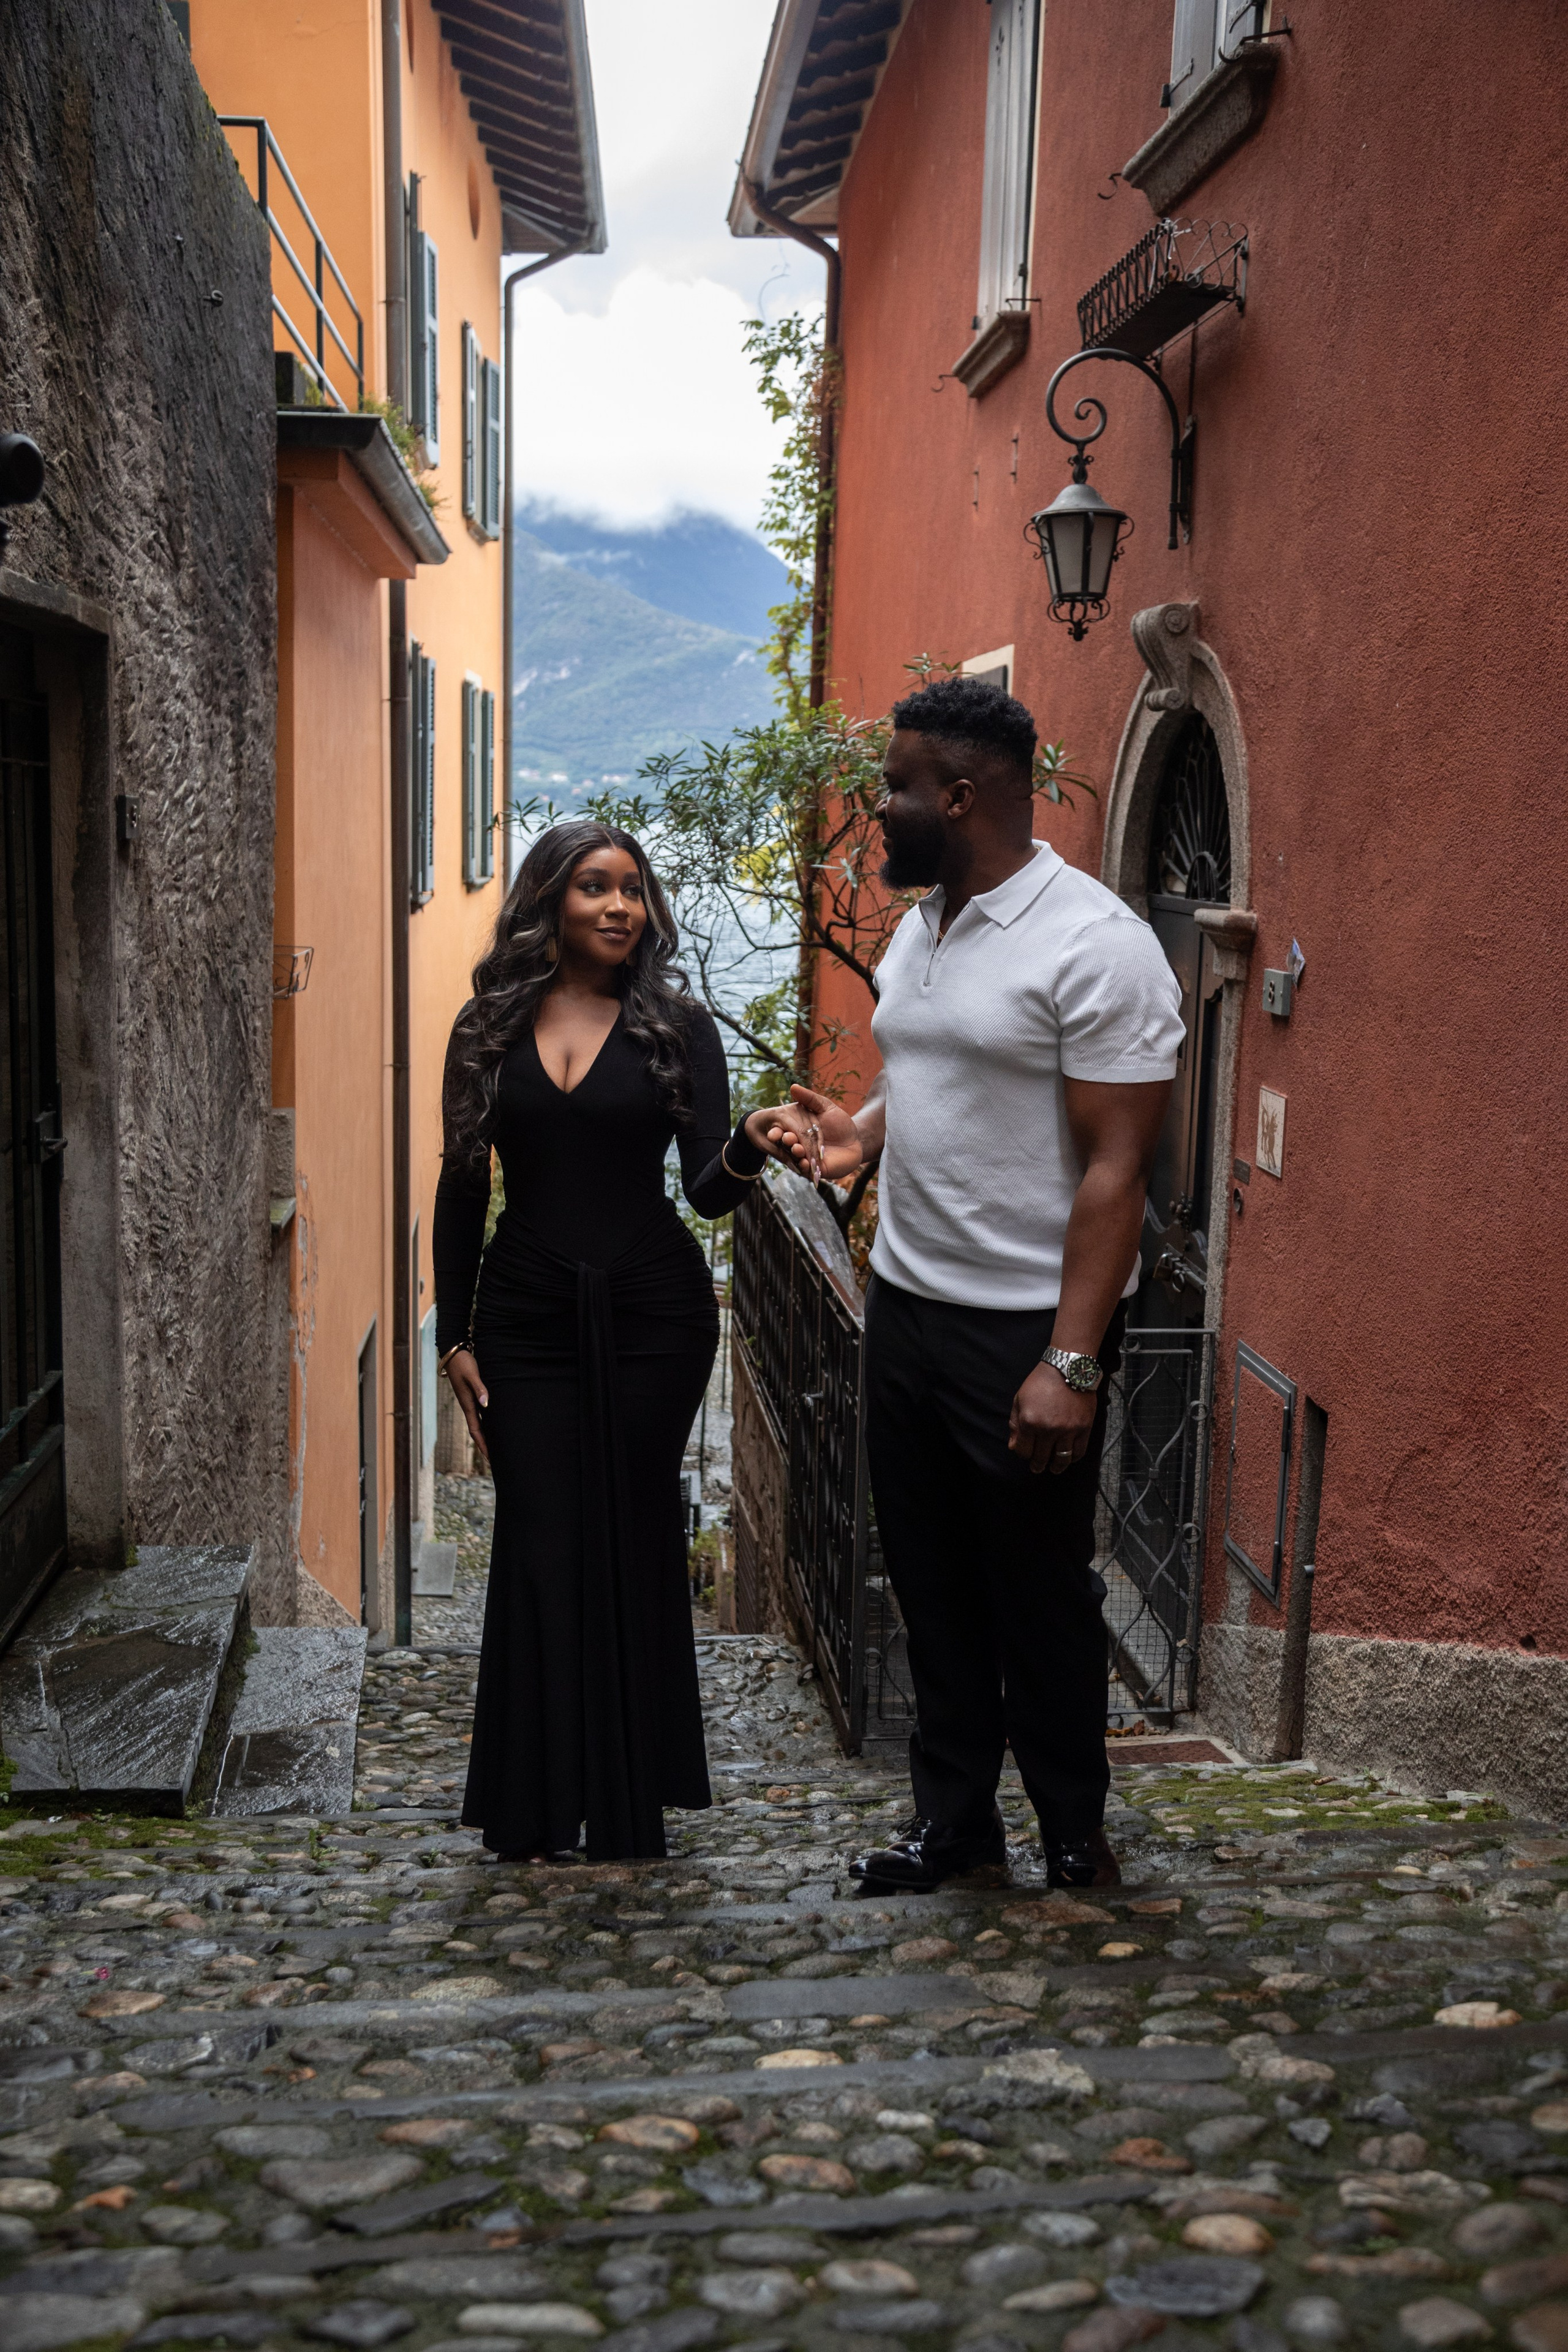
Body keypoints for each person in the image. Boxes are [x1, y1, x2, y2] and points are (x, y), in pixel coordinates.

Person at [761, 676, 1184, 1892]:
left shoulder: (1094, 946)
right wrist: (858, 1138)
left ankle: (1069, 1832)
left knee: (1038, 1598)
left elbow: (1117, 1169)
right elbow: (931, 1068)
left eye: (893, 788)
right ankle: (952, 1827)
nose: (876, 809)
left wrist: (1069, 1361)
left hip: (1018, 1333)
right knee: (931, 1589)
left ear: (956, 796)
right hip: (902, 1307)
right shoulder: (923, 924)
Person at [434, 820, 783, 1864]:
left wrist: (753, 1145)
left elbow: (711, 1194)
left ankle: (629, 1803)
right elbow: (461, 1186)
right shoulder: (484, 1028)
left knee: (631, 1537)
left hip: (654, 1314)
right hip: (527, 1314)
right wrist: (454, 1333)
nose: (620, 906)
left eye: (633, 888)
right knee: (541, 1540)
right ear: (553, 899)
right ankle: (535, 1803)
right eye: (596, 886)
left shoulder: (680, 1029)